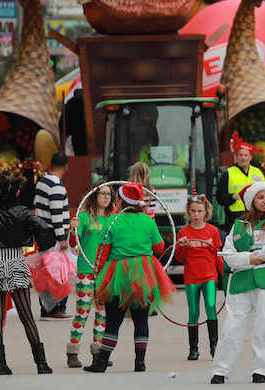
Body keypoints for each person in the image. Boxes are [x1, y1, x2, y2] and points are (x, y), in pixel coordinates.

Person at [84, 182, 178, 373]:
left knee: (112, 321)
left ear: (121, 200)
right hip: (143, 273)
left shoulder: (112, 222)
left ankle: (101, 363)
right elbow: (160, 247)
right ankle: (140, 363)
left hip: (117, 273)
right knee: (141, 319)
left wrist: (98, 277)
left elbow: (103, 253)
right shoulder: (147, 221)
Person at [0, 173, 55, 375]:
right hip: (16, 260)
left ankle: (1, 364)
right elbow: (43, 228)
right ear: (17, 191)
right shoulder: (23, 212)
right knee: (27, 316)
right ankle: (41, 363)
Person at [212, 181, 265, 384]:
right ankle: (221, 371)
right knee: (232, 327)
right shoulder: (238, 225)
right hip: (240, 280)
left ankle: (260, 370)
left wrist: (254, 257)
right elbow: (228, 255)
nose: (264, 201)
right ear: (251, 200)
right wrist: (248, 259)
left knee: (263, 327)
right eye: (260, 197)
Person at [67, 183, 115, 368]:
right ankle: (73, 352)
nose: (106, 197)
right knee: (83, 310)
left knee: (102, 312)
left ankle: (98, 352)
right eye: (102, 193)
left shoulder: (112, 220)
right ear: (94, 195)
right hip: (86, 271)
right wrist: (73, 228)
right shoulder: (84, 217)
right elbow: (73, 243)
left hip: (104, 272)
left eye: (109, 194)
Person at [175, 194, 223, 361]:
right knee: (193, 312)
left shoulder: (213, 231)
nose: (196, 214)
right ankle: (193, 349)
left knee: (211, 306)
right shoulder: (183, 232)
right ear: (188, 212)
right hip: (191, 278)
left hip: (209, 276)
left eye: (200, 211)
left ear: (206, 212)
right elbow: (179, 258)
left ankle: (214, 346)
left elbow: (218, 256)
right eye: (193, 211)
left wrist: (223, 276)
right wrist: (181, 246)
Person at [34, 152, 72, 319]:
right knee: (61, 272)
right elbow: (56, 213)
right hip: (53, 233)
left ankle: (47, 307)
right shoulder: (56, 185)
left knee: (48, 271)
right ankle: (56, 307)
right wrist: (62, 238)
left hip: (42, 231)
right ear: (65, 166)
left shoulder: (42, 181)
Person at [224, 134, 265, 232]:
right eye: (240, 155)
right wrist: (232, 197)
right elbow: (220, 198)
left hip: (256, 214)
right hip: (235, 216)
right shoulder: (228, 173)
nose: (243, 158)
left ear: (250, 157)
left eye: (246, 155)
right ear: (236, 157)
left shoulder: (258, 172)